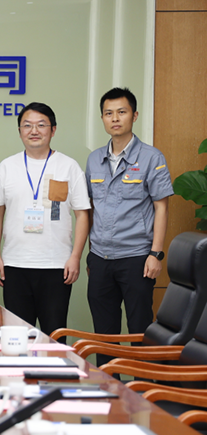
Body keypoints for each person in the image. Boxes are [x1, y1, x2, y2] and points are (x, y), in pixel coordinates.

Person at [0, 103, 90, 336]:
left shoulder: (69, 167)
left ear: (53, 130)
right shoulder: (6, 167)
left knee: (54, 335)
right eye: (27, 125)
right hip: (15, 265)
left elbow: (82, 214)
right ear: (19, 131)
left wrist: (75, 257)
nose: (34, 131)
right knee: (16, 337)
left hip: (56, 265)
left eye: (41, 125)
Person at [86, 88, 173, 345]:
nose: (115, 118)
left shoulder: (152, 157)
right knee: (103, 334)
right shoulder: (94, 159)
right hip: (100, 258)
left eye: (121, 112)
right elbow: (90, 208)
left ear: (134, 116)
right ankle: (108, 373)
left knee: (140, 330)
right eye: (108, 113)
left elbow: (161, 208)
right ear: (102, 118)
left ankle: (142, 375)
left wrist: (156, 254)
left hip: (137, 258)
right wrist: (91, 254)